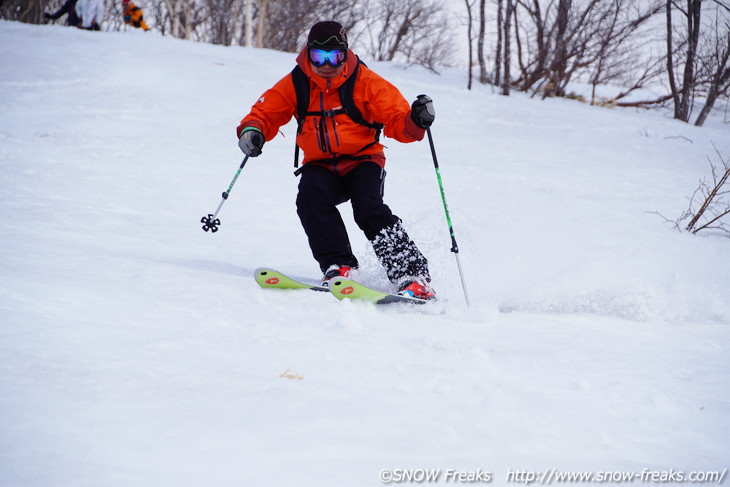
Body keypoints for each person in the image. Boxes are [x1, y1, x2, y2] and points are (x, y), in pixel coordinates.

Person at [237, 21, 437, 300]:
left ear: (346, 54)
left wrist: (416, 120)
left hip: (363, 159)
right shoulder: (296, 83)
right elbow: (265, 112)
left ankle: (412, 275)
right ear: (308, 54)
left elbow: (397, 120)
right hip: (320, 163)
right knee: (310, 199)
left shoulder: (367, 82)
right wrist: (253, 131)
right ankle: (339, 265)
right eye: (320, 57)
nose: (327, 64)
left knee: (369, 209)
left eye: (335, 56)